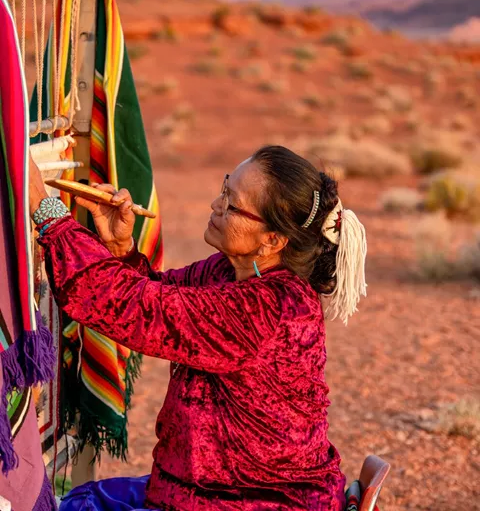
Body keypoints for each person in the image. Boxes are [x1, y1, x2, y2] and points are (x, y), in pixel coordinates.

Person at [29, 145, 367, 511]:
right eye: (224, 188)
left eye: (231, 204)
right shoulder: (228, 273)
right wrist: (120, 248)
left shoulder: (271, 309)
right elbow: (158, 298)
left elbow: (131, 308)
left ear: (272, 239)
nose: (214, 205)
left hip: (252, 500)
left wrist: (48, 213)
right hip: (207, 488)